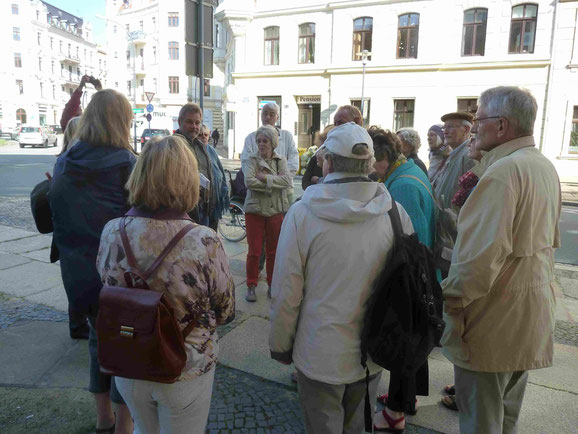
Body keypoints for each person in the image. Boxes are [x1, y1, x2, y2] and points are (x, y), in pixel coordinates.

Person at [269, 122, 414, 434]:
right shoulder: (394, 212)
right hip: (371, 351)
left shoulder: (303, 213)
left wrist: (280, 345)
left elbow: (286, 290)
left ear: (329, 162)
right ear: (369, 163)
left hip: (318, 351)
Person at [442, 86, 561, 434]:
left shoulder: (503, 173)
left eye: (478, 118)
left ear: (502, 125)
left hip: (492, 323)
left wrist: (449, 304)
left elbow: (476, 264)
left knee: (481, 423)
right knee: (505, 420)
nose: (474, 126)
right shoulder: (541, 165)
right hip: (528, 318)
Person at [96, 135, 235, 434]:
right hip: (184, 367)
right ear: (189, 180)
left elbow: (106, 284)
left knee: (144, 430)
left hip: (129, 362)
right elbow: (225, 312)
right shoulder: (204, 239)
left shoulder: (111, 231)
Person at [50, 89, 136, 434]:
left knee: (97, 342)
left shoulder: (65, 160)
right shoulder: (126, 163)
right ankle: (124, 427)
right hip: (116, 276)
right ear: (121, 121)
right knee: (125, 349)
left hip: (76, 273)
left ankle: (103, 420)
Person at [368, 127, 435, 431]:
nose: (369, 169)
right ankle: (408, 400)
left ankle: (396, 411)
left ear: (383, 158)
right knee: (413, 344)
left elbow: (412, 243)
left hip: (411, 281)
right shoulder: (405, 172)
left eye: (371, 162)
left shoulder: (403, 185)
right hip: (420, 279)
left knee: (404, 344)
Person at [243, 125, 292, 302]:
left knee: (273, 252)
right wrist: (274, 182)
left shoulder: (281, 160)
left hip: (275, 210)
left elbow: (287, 181)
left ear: (273, 143)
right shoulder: (251, 159)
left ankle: (272, 284)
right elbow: (249, 182)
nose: (261, 144)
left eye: (265, 141)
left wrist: (265, 178)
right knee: (254, 251)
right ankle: (251, 285)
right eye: (259, 141)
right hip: (254, 210)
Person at [432, 111, 476, 278]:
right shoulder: (454, 153)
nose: (445, 131)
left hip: (455, 231)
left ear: (466, 129)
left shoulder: (468, 155)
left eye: (451, 127)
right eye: (445, 127)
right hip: (448, 230)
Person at [174, 103, 213, 226]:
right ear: (180, 122)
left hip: (203, 209)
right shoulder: (173, 145)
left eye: (197, 123)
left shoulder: (200, 145)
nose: (194, 126)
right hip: (184, 212)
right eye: (190, 122)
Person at [241, 102, 299, 181]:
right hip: (258, 188)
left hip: (281, 189)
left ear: (277, 118)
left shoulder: (287, 136)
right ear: (261, 116)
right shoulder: (250, 138)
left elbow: (293, 161)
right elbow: (246, 163)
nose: (268, 117)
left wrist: (276, 179)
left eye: (272, 114)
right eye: (265, 114)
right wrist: (264, 180)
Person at [199, 124, 230, 231]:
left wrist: (224, 191)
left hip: (214, 202)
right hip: (201, 205)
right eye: (200, 135)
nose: (203, 137)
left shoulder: (212, 151)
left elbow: (220, 171)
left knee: (212, 235)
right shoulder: (193, 151)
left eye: (205, 134)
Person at [301, 124, 334, 190]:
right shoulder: (314, 159)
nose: (318, 152)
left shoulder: (336, 161)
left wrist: (318, 181)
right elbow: (305, 182)